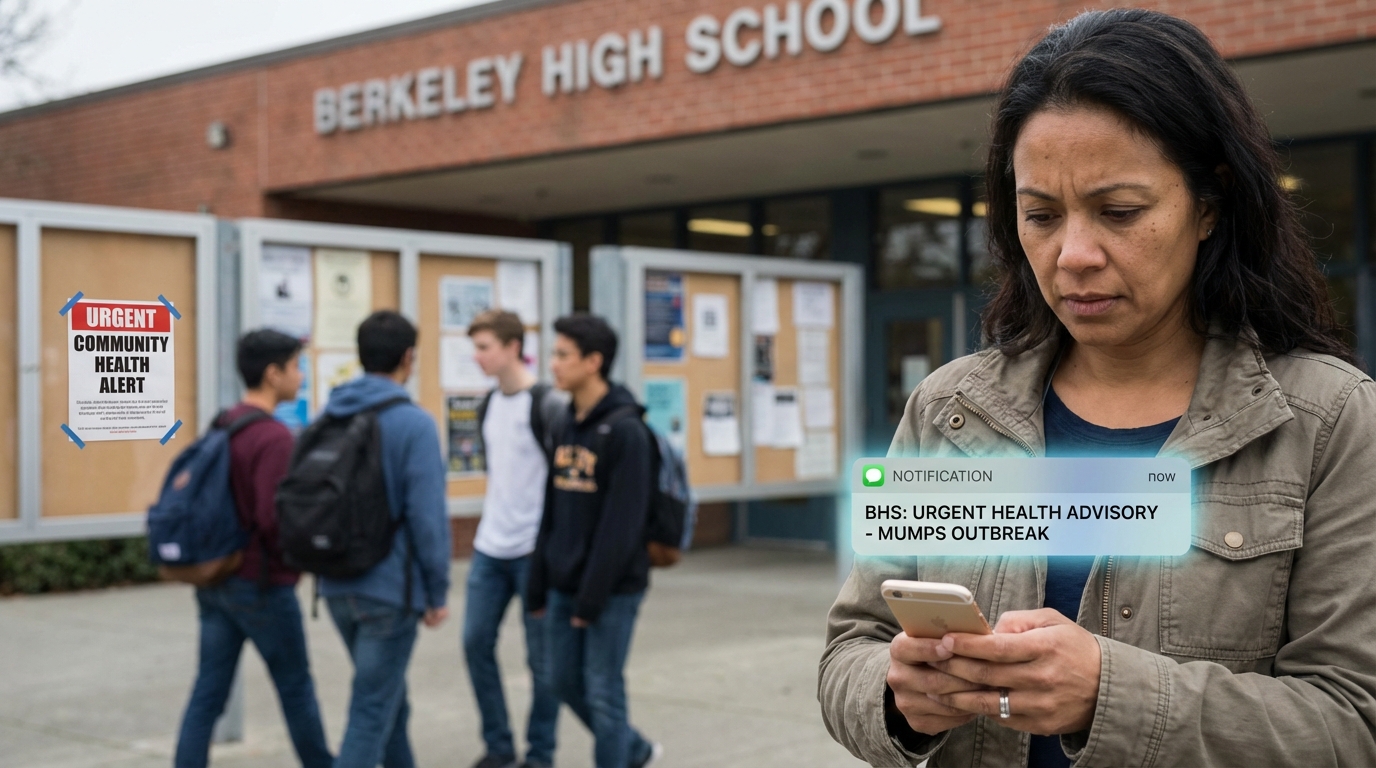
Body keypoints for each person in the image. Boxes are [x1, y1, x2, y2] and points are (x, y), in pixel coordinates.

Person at [820, 9, 1376, 767]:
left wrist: (1109, 695)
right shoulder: (950, 412)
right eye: (1040, 215)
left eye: (1119, 212)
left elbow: (1350, 722)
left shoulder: (1328, 422)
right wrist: (896, 697)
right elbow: (853, 643)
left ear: (1208, 205)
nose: (1073, 254)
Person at [174, 329, 332, 768]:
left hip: (218, 578)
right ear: (272, 373)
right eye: (296, 366)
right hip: (262, 585)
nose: (301, 376)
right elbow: (272, 518)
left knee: (208, 692)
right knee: (296, 688)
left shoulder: (224, 422)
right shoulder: (274, 438)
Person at [527, 314, 662, 768]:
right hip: (565, 582)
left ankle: (620, 752)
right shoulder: (567, 419)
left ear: (594, 362)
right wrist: (537, 581)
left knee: (603, 692)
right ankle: (635, 749)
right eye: (554, 354)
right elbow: (551, 506)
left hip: (611, 589)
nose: (553, 364)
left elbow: (621, 528)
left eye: (563, 355)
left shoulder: (627, 431)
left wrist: (591, 599)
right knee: (560, 680)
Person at [319, 310, 453, 768]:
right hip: (389, 590)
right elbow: (427, 519)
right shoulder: (413, 424)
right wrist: (437, 591)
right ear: (408, 357)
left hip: (335, 583)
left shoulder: (331, 412)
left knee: (388, 697)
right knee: (372, 710)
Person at [463, 310, 567, 768]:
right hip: (490, 547)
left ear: (510, 347)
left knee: (542, 661)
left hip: (532, 552)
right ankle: (499, 745)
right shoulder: (488, 404)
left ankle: (540, 754)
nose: (477, 356)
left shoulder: (544, 403)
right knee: (474, 643)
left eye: (484, 346)